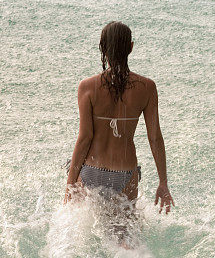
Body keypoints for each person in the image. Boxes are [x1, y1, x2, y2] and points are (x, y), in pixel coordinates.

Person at [64, 21, 174, 224]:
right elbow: (155, 137)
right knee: (126, 235)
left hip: (91, 169)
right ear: (131, 47)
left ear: (102, 48)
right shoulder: (147, 87)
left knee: (84, 231)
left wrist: (70, 184)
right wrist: (163, 182)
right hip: (124, 174)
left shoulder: (87, 87)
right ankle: (136, 257)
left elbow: (85, 138)